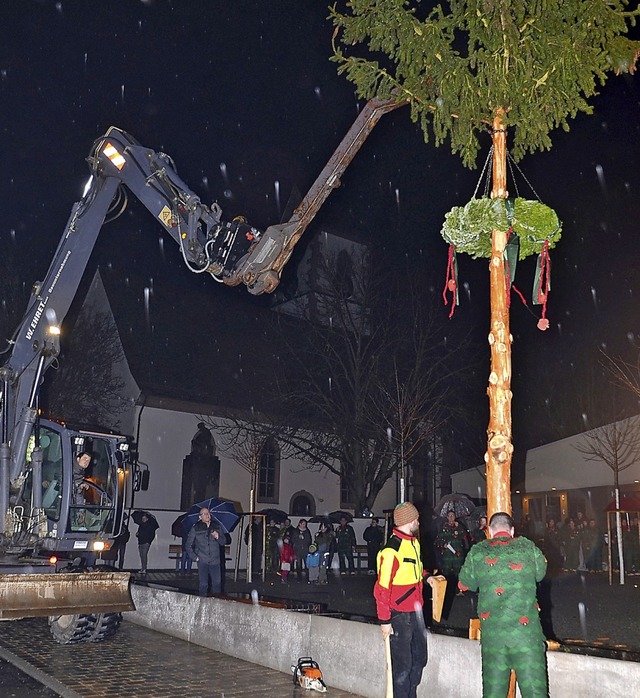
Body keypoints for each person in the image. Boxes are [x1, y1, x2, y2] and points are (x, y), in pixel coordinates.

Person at [458, 512, 548, 698]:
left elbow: (464, 584)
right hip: (527, 637)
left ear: (490, 531)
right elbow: (540, 574)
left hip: (494, 638)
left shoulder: (478, 551)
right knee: (535, 692)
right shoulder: (528, 547)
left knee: (493, 693)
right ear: (512, 530)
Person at [375, 501, 436, 698]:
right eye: (416, 518)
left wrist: (428, 577)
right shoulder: (391, 550)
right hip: (399, 615)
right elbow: (382, 590)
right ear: (409, 520)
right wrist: (385, 621)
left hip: (416, 612)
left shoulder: (413, 543)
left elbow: (415, 570)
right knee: (402, 666)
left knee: (419, 659)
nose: (419, 520)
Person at [187, 507, 223, 596]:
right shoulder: (196, 528)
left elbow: (223, 541)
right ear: (200, 517)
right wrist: (195, 557)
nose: (207, 515)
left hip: (215, 560)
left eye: (208, 513)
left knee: (217, 583)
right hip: (202, 560)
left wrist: (218, 537)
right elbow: (188, 545)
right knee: (203, 584)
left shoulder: (216, 526)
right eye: (205, 514)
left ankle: (217, 603)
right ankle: (202, 603)